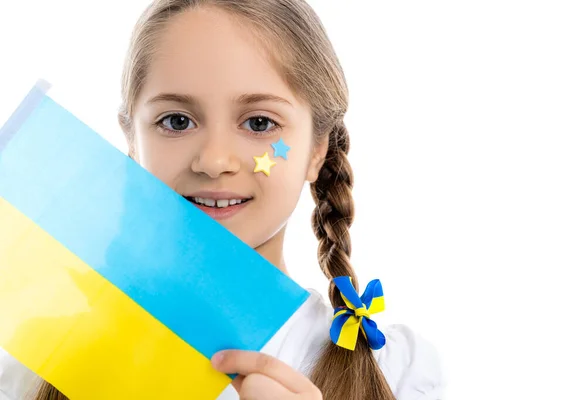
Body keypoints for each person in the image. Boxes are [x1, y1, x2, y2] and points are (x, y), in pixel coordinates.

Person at [0, 0, 444, 399]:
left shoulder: (396, 371)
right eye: (176, 120)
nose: (214, 160)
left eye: (259, 123)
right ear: (131, 141)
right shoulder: (31, 360)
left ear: (316, 150)